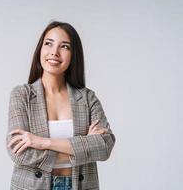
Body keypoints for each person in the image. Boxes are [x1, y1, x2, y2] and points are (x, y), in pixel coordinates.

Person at [6, 21, 116, 190]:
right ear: (40, 49)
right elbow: (18, 151)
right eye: (48, 43)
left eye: (64, 46)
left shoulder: (87, 98)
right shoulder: (22, 95)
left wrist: (43, 142)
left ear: (73, 55)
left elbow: (105, 146)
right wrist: (85, 145)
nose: (54, 52)